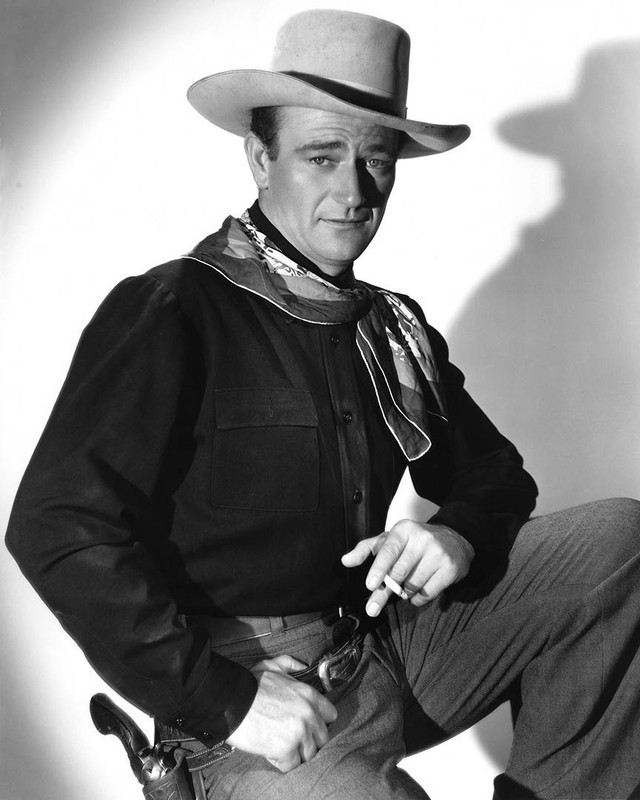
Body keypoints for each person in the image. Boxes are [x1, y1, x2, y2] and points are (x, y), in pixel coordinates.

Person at [5, 9, 640, 800]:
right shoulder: (173, 310)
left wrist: (457, 533)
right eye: (321, 156)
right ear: (259, 158)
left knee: (620, 546)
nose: (353, 191)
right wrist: (226, 700)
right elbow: (56, 524)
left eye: (377, 160)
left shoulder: (392, 327)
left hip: (387, 649)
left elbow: (497, 476)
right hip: (256, 694)